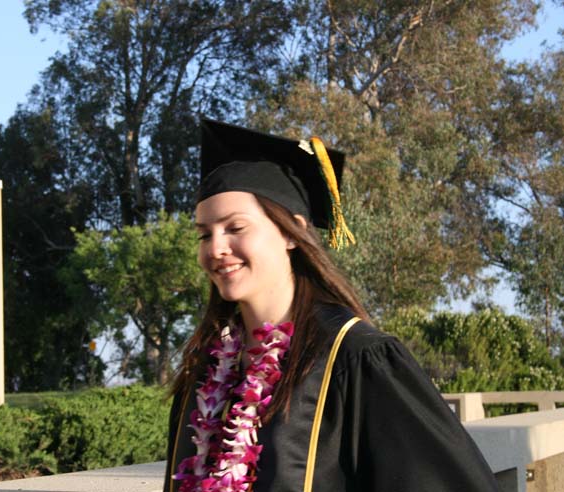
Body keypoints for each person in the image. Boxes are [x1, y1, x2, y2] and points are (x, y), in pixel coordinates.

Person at [162, 119, 500, 492]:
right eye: (204, 234)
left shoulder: (355, 358)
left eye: (235, 228)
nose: (216, 248)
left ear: (292, 231)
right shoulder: (205, 371)